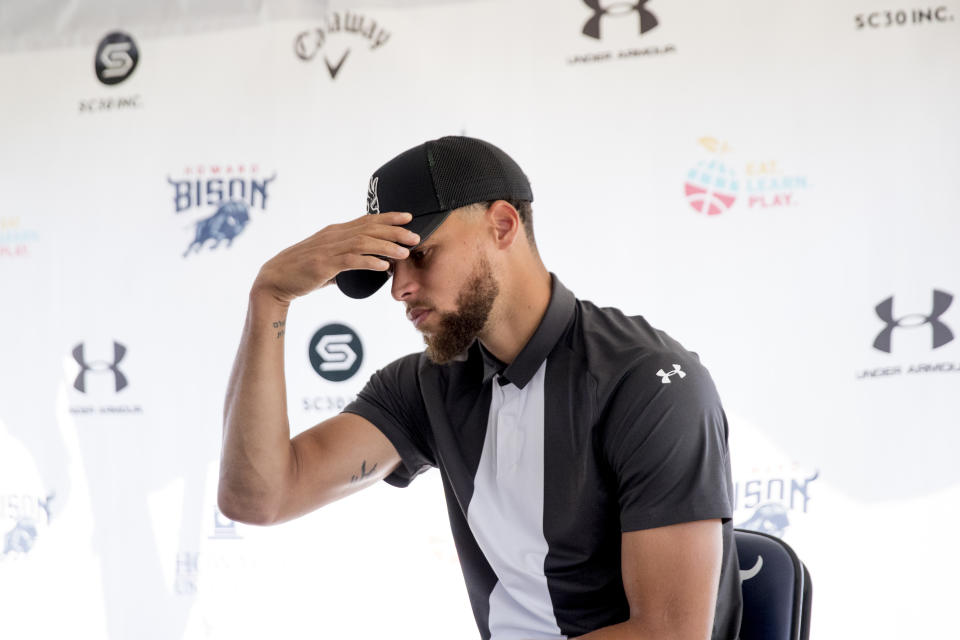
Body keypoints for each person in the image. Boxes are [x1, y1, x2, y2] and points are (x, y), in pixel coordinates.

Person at [218, 136, 742, 640]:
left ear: (502, 224)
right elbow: (260, 498)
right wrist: (270, 295)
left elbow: (669, 634)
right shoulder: (426, 385)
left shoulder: (648, 383)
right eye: (389, 266)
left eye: (420, 254)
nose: (400, 288)